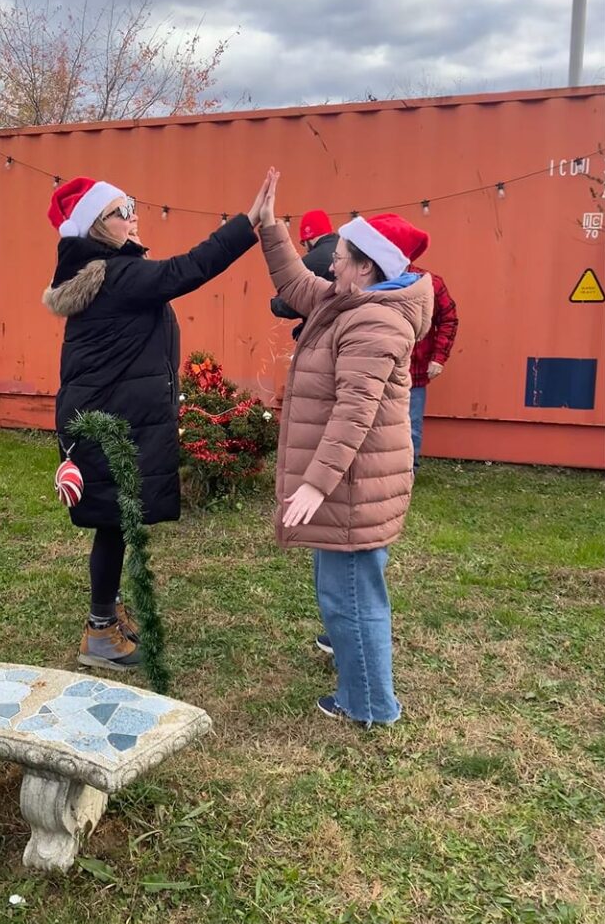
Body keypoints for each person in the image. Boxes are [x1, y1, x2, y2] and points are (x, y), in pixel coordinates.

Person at [43, 173, 271, 670]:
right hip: (106, 426)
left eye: (132, 206)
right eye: (123, 210)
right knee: (112, 524)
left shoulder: (103, 271)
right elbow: (188, 269)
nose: (134, 216)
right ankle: (99, 632)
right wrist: (247, 224)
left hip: (103, 421)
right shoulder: (118, 275)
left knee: (117, 523)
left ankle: (106, 614)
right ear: (99, 227)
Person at [257, 170, 433, 726]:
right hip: (352, 482)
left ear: (369, 267)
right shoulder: (349, 301)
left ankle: (370, 705)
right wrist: (268, 228)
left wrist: (315, 482)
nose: (330, 260)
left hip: (352, 485)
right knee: (346, 591)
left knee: (352, 597)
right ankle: (365, 692)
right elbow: (296, 287)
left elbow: (353, 411)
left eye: (343, 253)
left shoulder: (375, 321)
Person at [403, 242, 459, 468]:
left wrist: (438, 357)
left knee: (411, 425)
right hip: (380, 371)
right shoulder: (374, 282)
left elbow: (448, 319)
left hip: (413, 373)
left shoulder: (429, 283)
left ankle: (409, 472)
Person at [270, 209, 337, 339]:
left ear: (309, 237)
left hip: (321, 338)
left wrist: (275, 303)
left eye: (303, 242)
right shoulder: (348, 250)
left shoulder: (310, 261)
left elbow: (289, 303)